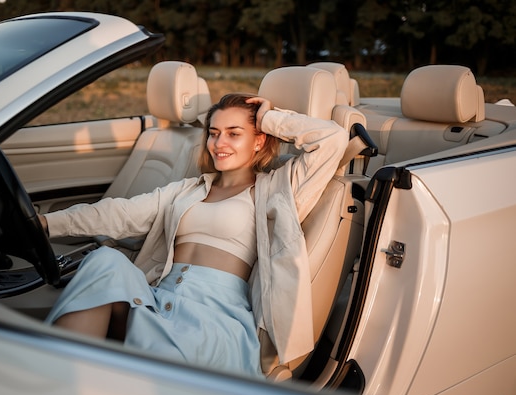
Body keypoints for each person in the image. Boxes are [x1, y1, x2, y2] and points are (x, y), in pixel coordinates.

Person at [39, 93, 348, 377]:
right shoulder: (188, 190)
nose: (218, 142)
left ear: (258, 141)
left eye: (234, 133)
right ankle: (55, 382)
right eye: (213, 133)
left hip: (216, 316)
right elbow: (119, 213)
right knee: (104, 260)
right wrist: (47, 223)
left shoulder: (277, 189)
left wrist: (268, 116)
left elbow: (331, 139)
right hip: (161, 298)